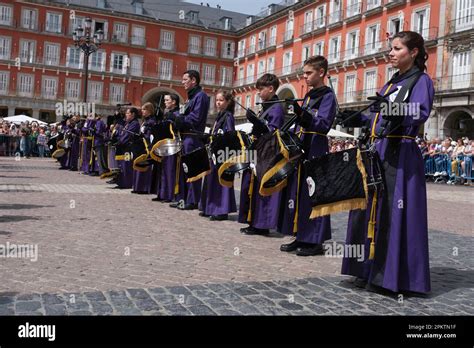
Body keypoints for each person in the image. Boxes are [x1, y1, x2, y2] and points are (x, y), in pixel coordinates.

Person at [337, 31, 434, 294]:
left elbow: (420, 112)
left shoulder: (421, 80)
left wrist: (390, 109)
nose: (390, 53)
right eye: (391, 48)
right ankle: (367, 268)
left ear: (413, 52)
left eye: (397, 48)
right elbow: (374, 117)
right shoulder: (391, 83)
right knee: (368, 211)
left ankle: (391, 277)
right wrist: (355, 118)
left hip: (400, 151)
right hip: (377, 151)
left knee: (393, 211)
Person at [279, 56, 337, 256]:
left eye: (308, 73)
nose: (305, 77)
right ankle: (301, 235)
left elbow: (323, 124)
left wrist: (302, 115)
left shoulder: (328, 96)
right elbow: (300, 122)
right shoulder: (310, 95)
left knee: (315, 193)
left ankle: (316, 241)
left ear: (321, 72)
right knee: (300, 193)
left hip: (316, 148)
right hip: (302, 148)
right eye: (304, 73)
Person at [239, 73, 285, 235]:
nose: (258, 92)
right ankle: (253, 221)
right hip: (258, 151)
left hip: (268, 153)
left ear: (271, 89)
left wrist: (260, 125)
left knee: (263, 188)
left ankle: (262, 224)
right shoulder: (267, 107)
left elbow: (274, 132)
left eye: (261, 89)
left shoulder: (277, 108)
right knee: (253, 186)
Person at [171, 70, 210, 210]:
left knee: (193, 170)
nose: (182, 82)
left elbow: (196, 117)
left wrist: (181, 119)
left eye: (185, 79)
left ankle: (193, 200)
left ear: (193, 80)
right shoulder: (191, 97)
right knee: (185, 169)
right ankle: (184, 198)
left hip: (193, 137)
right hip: (185, 136)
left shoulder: (201, 96)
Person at [199, 90, 237, 221]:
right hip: (214, 151)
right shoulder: (219, 116)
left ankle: (221, 210)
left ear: (228, 102)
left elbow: (230, 134)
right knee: (211, 179)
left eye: (221, 100)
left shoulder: (228, 116)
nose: (218, 103)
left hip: (222, 152)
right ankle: (209, 207)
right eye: (217, 100)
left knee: (220, 180)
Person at [153, 94, 182, 203]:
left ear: (173, 102)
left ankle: (169, 195)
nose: (165, 102)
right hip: (164, 144)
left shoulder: (177, 113)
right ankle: (162, 193)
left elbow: (177, 127)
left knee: (170, 170)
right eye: (164, 100)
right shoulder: (167, 113)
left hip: (172, 144)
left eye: (167, 100)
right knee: (162, 169)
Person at [132, 102, 157, 194]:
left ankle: (144, 188)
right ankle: (137, 186)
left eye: (144, 109)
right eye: (142, 109)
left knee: (145, 165)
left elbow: (151, 135)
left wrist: (145, 133)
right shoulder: (145, 121)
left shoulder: (151, 121)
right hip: (141, 145)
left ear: (149, 110)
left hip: (147, 145)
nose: (142, 111)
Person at [115, 107, 140, 189]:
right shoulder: (128, 123)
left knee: (127, 165)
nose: (126, 115)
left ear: (133, 114)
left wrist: (120, 141)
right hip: (124, 147)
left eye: (127, 113)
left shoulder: (135, 123)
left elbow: (127, 135)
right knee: (123, 165)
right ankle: (122, 182)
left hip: (129, 147)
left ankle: (127, 183)